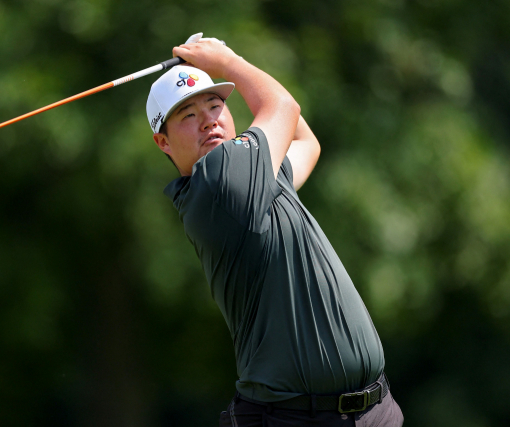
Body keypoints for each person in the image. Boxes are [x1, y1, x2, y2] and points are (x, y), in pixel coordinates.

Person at [146, 38, 404, 427]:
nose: (209, 120)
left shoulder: (252, 175)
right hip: (295, 419)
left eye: (215, 105)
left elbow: (304, 141)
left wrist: (233, 68)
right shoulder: (217, 181)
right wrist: (229, 61)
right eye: (188, 114)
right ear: (163, 142)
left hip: (373, 412)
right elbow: (284, 106)